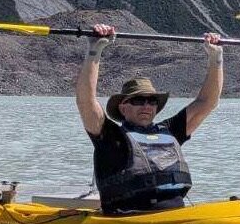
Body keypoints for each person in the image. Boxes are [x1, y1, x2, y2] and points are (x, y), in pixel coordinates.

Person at [75, 23, 224, 214]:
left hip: (175, 216)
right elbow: (86, 101)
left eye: (152, 101)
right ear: (123, 107)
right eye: (138, 100)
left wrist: (216, 58)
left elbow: (207, 102)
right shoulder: (111, 137)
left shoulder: (170, 131)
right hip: (131, 218)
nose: (146, 106)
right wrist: (94, 50)